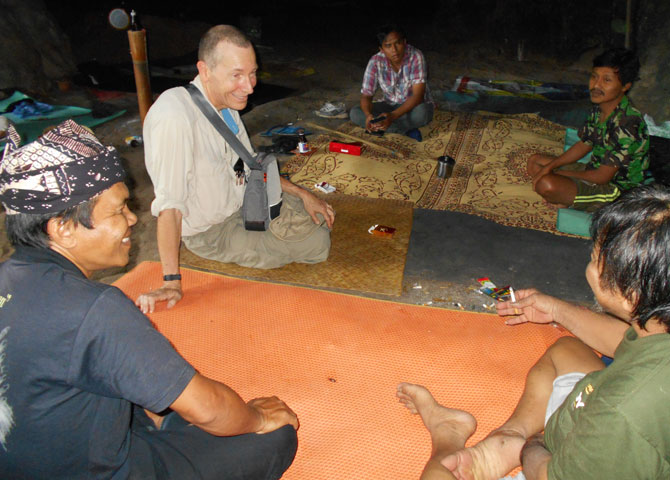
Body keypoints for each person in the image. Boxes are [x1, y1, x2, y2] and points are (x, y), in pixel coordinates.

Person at [397, 184, 670, 479]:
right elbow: (628, 345)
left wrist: (533, 447)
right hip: (656, 436)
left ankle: (449, 435)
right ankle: (505, 439)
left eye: (595, 257)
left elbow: (553, 472)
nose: (589, 263)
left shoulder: (624, 414)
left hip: (574, 458)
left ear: (629, 294)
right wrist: (555, 308)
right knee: (565, 351)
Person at [0, 120, 298, 479]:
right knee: (273, 436)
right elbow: (206, 409)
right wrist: (259, 417)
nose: (132, 219)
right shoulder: (93, 309)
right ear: (62, 227)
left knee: (132, 391)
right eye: (118, 210)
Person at [140, 25, 335, 313]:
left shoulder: (227, 104)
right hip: (212, 231)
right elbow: (170, 207)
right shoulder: (175, 119)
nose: (250, 86)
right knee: (318, 244)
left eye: (252, 72)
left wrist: (303, 193)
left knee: (311, 213)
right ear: (205, 70)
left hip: (243, 201)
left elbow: (251, 161)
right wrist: (171, 281)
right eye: (237, 75)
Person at [527, 48, 649, 211]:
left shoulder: (628, 123)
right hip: (593, 170)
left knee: (547, 184)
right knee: (535, 161)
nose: (596, 85)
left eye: (606, 80)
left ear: (625, 86)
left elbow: (601, 177)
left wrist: (555, 173)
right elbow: (585, 143)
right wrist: (551, 166)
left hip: (616, 191)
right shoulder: (600, 108)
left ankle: (578, 201)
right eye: (594, 77)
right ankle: (572, 197)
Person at [349, 24, 434, 141]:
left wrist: (393, 116)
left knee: (422, 113)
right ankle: (404, 130)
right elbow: (366, 95)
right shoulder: (375, 61)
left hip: (412, 106)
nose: (394, 50)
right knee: (355, 112)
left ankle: (383, 127)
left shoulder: (416, 56)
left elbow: (418, 96)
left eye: (397, 43)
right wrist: (368, 115)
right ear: (382, 49)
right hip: (389, 105)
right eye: (388, 46)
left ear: (404, 42)